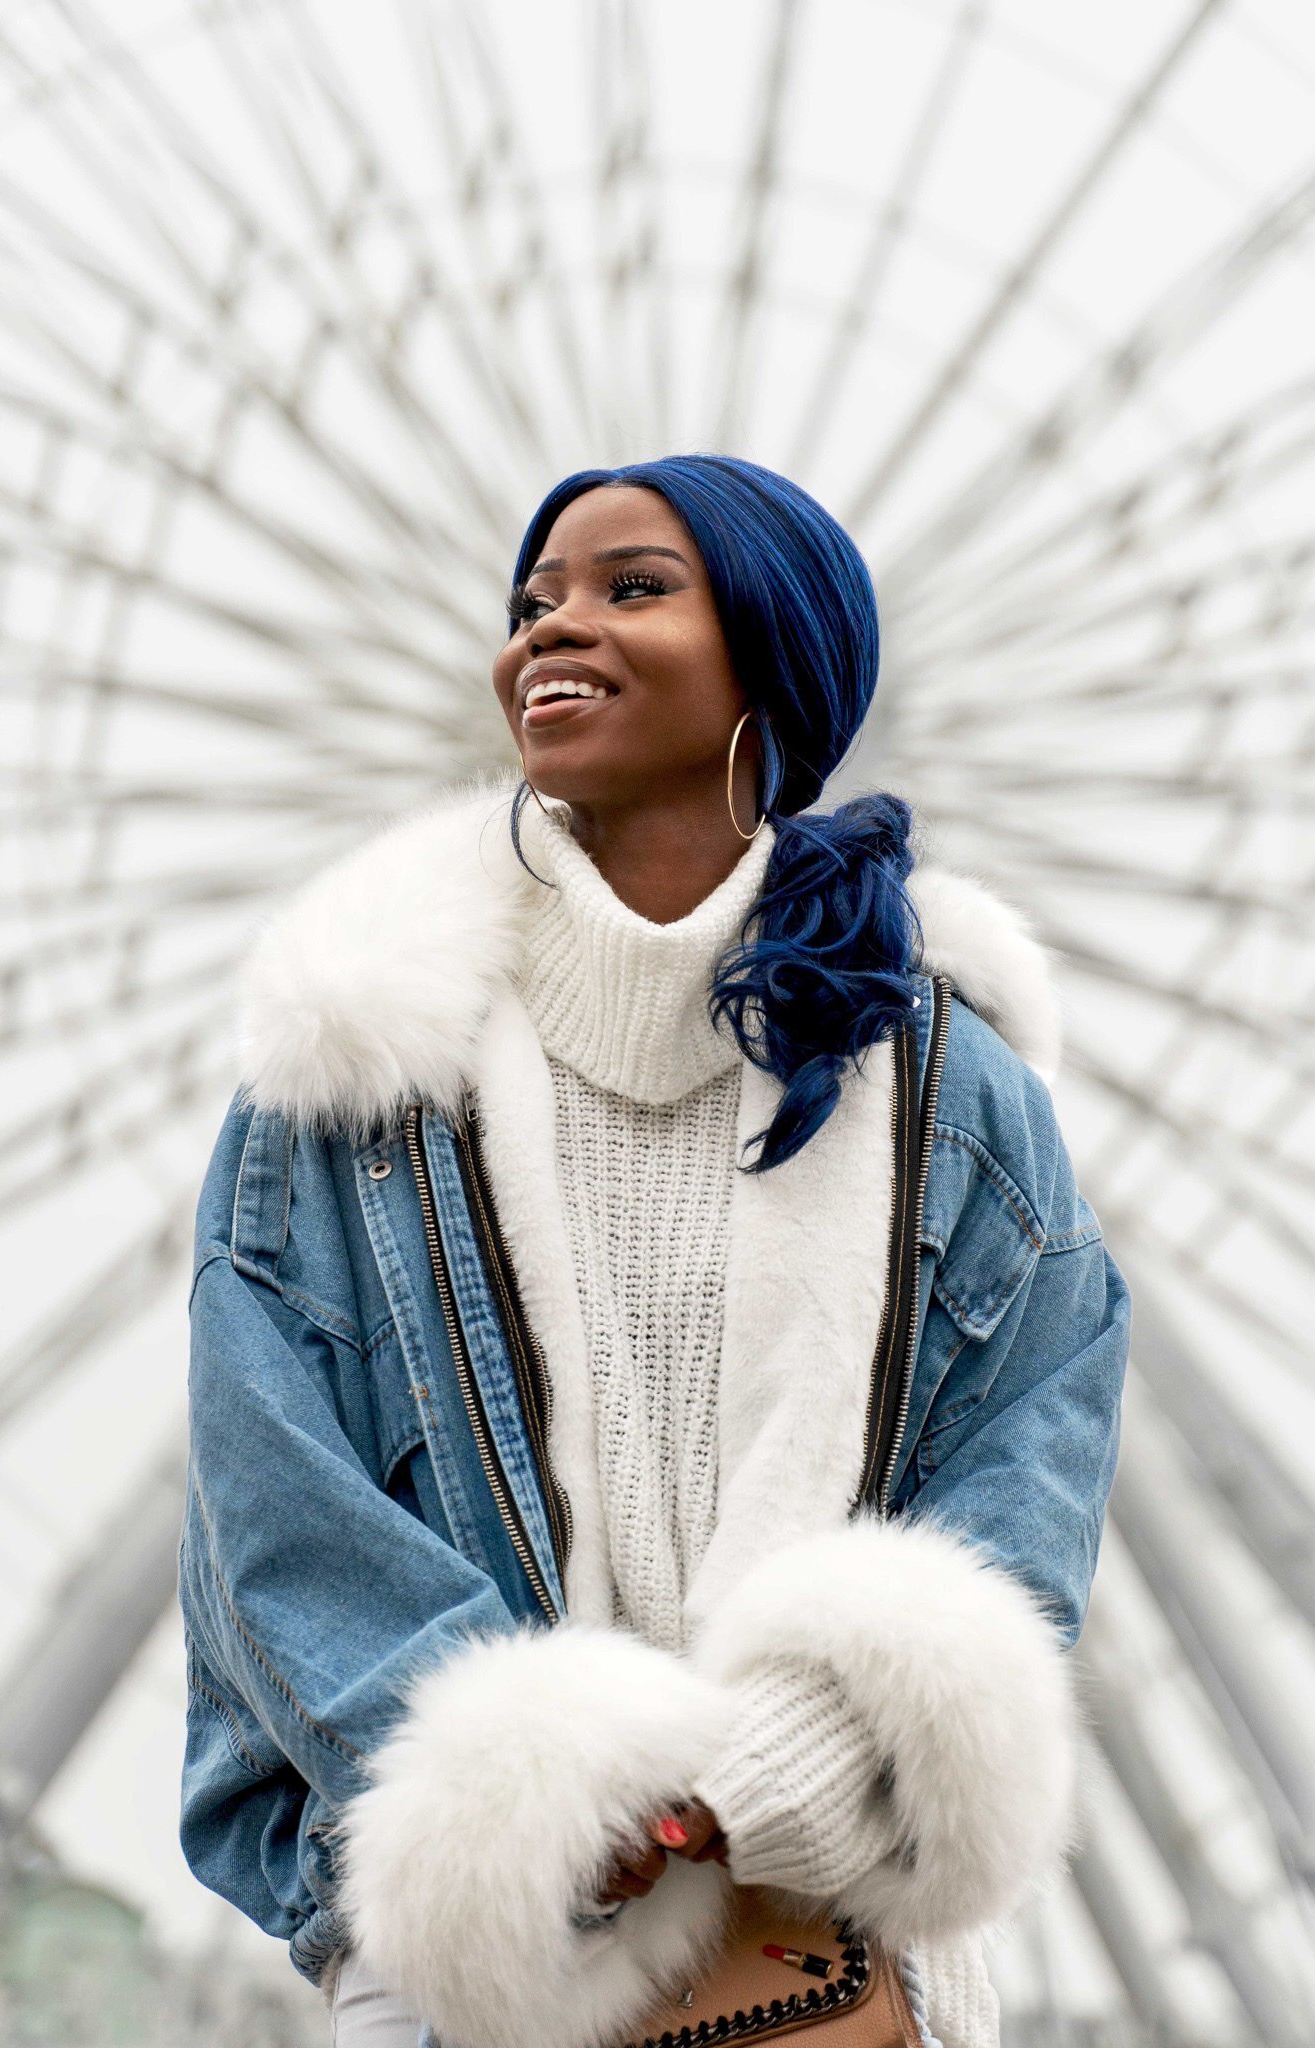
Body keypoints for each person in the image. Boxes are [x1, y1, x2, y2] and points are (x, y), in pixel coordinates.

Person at [178, 455, 1129, 2048]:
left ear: (772, 656)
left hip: (827, 1948)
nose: (556, 629)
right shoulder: (350, 1090)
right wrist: (560, 1795)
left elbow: (1024, 1471)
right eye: (532, 601)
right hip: (483, 1957)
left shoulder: (949, 1091)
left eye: (632, 588)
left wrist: (776, 1776)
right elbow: (270, 1509)